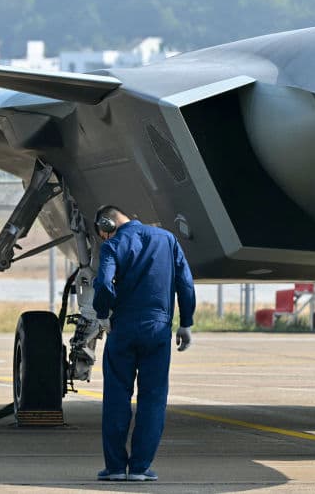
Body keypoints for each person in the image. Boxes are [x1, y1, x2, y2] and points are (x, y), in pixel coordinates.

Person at [91, 205, 196, 482]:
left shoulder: (113, 245)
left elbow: (103, 284)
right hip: (158, 329)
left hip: (123, 328)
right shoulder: (167, 239)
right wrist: (186, 322)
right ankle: (139, 468)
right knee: (153, 399)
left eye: (102, 233)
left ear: (106, 223)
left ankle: (115, 468)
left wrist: (103, 315)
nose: (104, 238)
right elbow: (185, 283)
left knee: (116, 397)